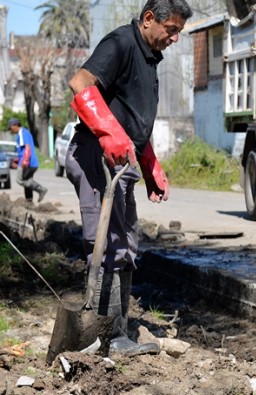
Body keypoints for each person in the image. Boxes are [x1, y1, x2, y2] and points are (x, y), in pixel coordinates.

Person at [66, 0, 192, 356]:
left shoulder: (149, 59)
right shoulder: (122, 43)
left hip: (121, 160)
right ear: (150, 19)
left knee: (126, 245)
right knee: (107, 244)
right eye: (172, 30)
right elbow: (80, 82)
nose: (175, 38)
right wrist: (107, 133)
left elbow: (132, 121)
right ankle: (105, 336)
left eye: (179, 32)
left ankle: (117, 330)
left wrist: (149, 163)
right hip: (95, 153)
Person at [8, 118, 48, 203]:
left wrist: (24, 161)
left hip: (28, 163)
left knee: (20, 180)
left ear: (15, 125)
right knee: (28, 181)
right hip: (31, 162)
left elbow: (27, 148)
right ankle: (29, 201)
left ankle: (41, 189)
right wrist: (17, 160)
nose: (10, 130)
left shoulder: (22, 132)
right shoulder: (23, 133)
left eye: (10, 127)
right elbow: (22, 150)